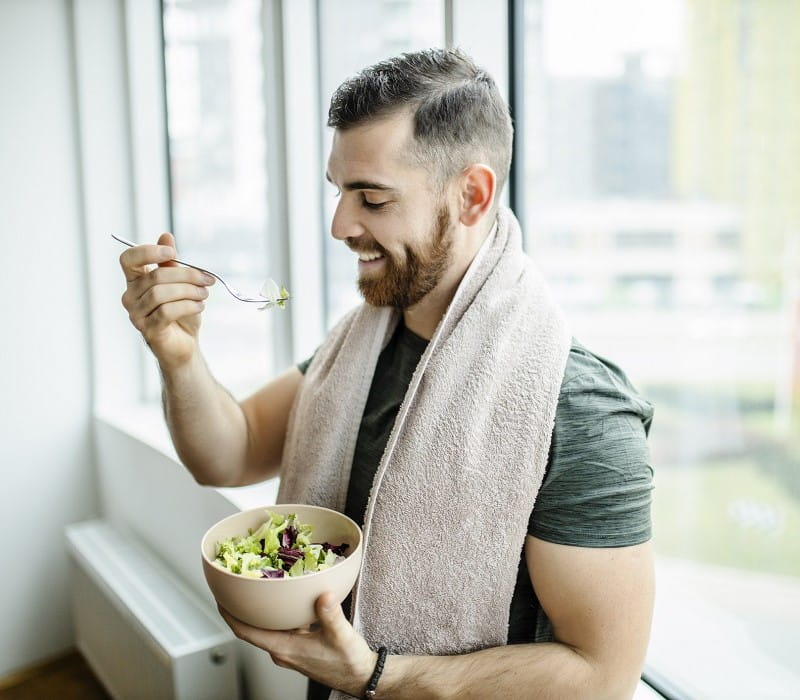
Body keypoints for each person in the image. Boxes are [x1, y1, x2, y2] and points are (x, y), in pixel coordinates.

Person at [119, 48, 655, 700]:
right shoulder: (361, 343)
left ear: (471, 196)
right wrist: (178, 356)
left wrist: (376, 676)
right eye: (340, 191)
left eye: (372, 198)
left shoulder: (578, 409)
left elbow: (603, 678)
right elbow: (228, 454)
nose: (340, 225)